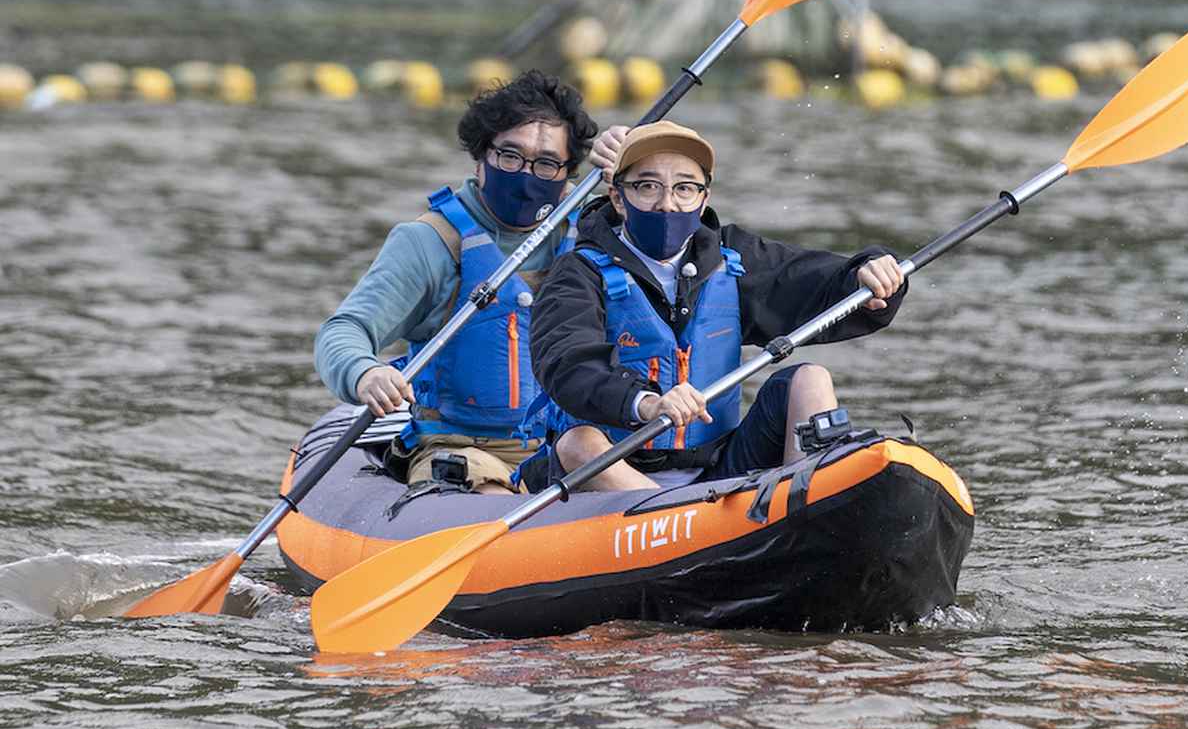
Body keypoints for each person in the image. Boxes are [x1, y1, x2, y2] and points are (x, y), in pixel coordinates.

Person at [528, 120, 907, 491]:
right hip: (615, 471)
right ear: (618, 198)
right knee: (578, 444)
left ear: (704, 198)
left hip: (716, 469)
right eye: (647, 187)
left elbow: (816, 281)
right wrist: (644, 403)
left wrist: (866, 272)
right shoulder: (577, 273)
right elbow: (567, 363)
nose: (667, 204)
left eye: (684, 188)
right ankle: (674, 527)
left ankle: (806, 506)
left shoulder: (733, 259)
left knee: (810, 379)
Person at [315, 70, 603, 494]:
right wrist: (365, 373)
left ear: (566, 173)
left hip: (566, 447)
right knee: (488, 497)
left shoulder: (593, 231)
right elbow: (343, 332)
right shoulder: (430, 243)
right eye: (510, 155)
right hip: (463, 449)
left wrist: (630, 164)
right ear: (481, 156)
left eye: (545, 163)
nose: (526, 174)